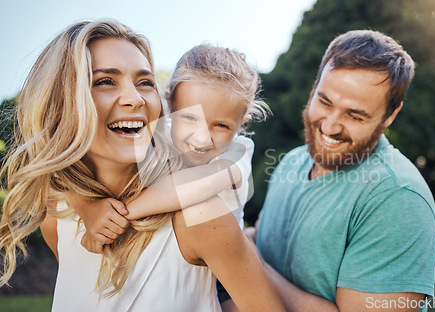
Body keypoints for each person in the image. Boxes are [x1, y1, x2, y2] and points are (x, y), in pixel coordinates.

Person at [0, 20, 284, 312]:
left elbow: (187, 188)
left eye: (144, 82)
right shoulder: (58, 213)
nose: (135, 99)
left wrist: (122, 215)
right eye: (105, 81)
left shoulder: (205, 210)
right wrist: (85, 203)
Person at [228, 30, 435, 312]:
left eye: (355, 115)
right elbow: (265, 240)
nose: (330, 126)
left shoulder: (398, 199)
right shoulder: (293, 161)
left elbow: (250, 256)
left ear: (390, 115)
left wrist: (244, 259)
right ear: (314, 87)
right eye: (324, 102)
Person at [69, 43, 264, 254]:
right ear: (169, 104)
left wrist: (117, 216)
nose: (202, 138)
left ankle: (254, 237)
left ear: (241, 124)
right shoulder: (158, 135)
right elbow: (68, 169)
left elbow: (201, 185)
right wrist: (87, 206)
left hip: (221, 271)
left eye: (221, 126)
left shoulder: (237, 153)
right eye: (189, 117)